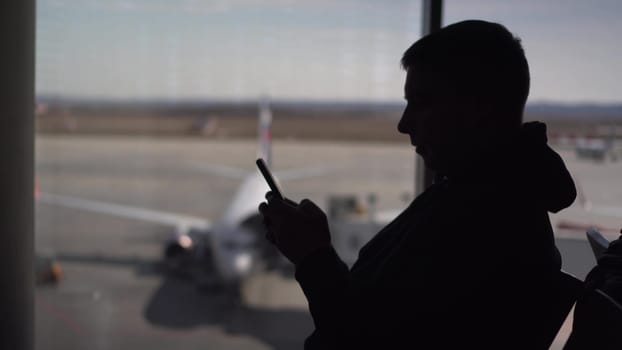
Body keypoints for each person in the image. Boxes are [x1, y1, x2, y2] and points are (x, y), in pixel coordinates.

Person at [259, 20, 577, 349]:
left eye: (421, 103)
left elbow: (361, 336)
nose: (403, 124)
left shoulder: (481, 222)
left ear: (479, 109)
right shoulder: (479, 195)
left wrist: (313, 256)